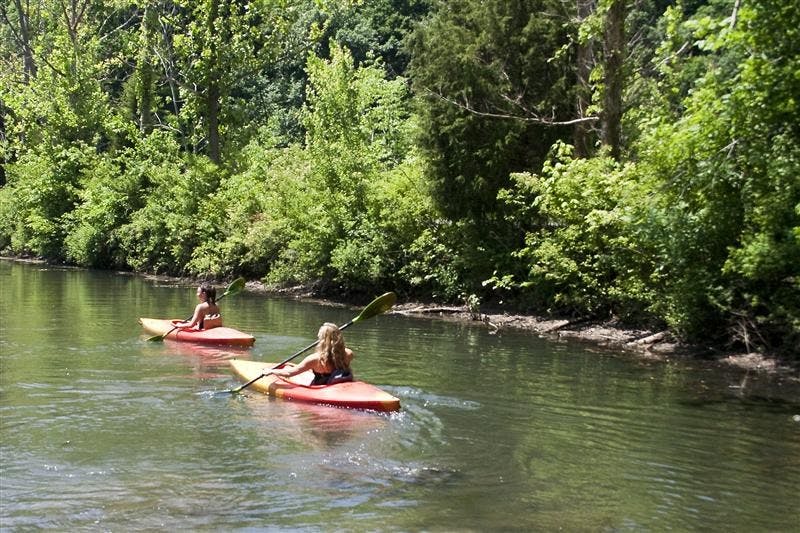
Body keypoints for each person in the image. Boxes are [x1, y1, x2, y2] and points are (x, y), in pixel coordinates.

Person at [271, 323, 354, 385]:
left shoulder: (314, 359)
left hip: (321, 389)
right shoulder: (349, 353)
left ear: (322, 339)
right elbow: (335, 360)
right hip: (339, 384)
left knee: (289, 370)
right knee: (290, 367)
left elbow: (289, 373)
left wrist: (270, 371)